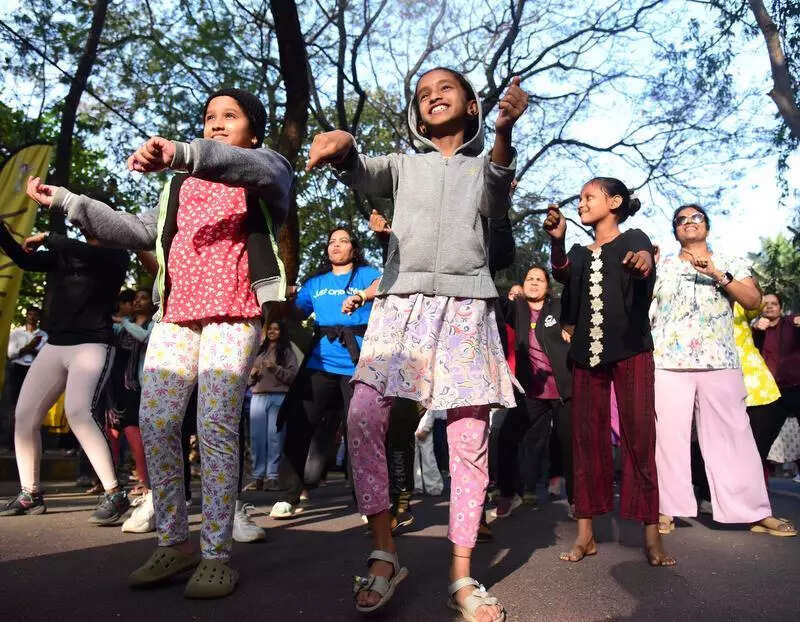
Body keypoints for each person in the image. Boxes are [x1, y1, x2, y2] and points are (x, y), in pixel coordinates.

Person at [26, 87, 293, 598]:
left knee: (214, 424)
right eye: (209, 116)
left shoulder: (264, 171)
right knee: (156, 421)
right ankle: (174, 541)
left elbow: (265, 172)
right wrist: (67, 201)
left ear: (252, 132)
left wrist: (183, 151)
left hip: (233, 314)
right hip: (176, 316)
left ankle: (216, 552)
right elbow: (135, 230)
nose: (216, 124)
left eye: (229, 116)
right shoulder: (180, 188)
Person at [307, 67, 526, 621]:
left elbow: (498, 191)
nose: (432, 97)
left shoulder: (483, 164)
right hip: (401, 303)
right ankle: (384, 551)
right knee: (362, 414)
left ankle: (462, 572)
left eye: (445, 89)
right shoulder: (403, 166)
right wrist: (343, 147)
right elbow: (361, 173)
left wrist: (504, 129)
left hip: (466, 305)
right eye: (423, 94)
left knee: (470, 435)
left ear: (472, 106)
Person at [544, 177, 674, 566]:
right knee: (586, 441)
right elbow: (564, 272)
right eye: (580, 197)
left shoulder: (633, 236)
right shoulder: (581, 252)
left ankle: (652, 537)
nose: (581, 203)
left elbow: (644, 261)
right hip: (586, 356)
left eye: (589, 197)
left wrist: (644, 261)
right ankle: (586, 535)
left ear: (614, 201)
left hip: (631, 350)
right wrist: (556, 239)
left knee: (639, 437)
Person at [650, 204, 794, 537]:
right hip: (669, 361)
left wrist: (717, 273)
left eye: (695, 218)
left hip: (721, 361)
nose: (689, 223)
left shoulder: (730, 262)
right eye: (681, 220)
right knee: (668, 439)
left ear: (707, 226)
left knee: (734, 437)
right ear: (675, 230)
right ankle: (666, 509)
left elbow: (754, 301)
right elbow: (644, 311)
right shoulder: (665, 267)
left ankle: (754, 511)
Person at [0, 216, 130, 523]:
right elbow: (23, 259)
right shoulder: (66, 254)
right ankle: (30, 493)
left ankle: (114, 493)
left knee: (78, 412)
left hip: (93, 344)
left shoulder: (115, 256)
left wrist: (47, 235)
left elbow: (82, 252)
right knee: (24, 416)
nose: (83, 222)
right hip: (56, 345)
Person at [270, 227, 381, 519]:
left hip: (359, 365)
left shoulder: (368, 275)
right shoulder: (316, 283)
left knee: (360, 432)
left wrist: (361, 297)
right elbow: (295, 314)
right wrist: (286, 296)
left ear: (354, 249)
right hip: (320, 364)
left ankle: (367, 501)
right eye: (332, 241)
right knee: (298, 424)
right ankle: (288, 495)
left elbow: (385, 285)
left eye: (343, 241)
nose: (336, 245)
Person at [492, 265, 573, 518]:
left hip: (562, 390)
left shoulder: (559, 307)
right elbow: (494, 307)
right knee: (505, 439)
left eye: (540, 279)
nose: (534, 283)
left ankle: (577, 501)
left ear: (548, 287)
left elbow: (578, 308)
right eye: (529, 279)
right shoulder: (517, 309)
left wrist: (569, 328)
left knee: (569, 445)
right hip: (530, 392)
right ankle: (508, 494)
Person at [248, 320, 298, 491]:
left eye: (276, 329)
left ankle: (273, 477)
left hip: (279, 397)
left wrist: (276, 368)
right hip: (257, 396)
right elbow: (247, 381)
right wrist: (252, 375)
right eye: (269, 328)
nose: (272, 331)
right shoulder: (258, 351)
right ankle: (257, 477)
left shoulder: (287, 351)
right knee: (256, 438)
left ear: (281, 332)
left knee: (275, 438)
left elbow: (293, 377)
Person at [1, 307, 47, 450]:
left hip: (33, 371)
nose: (32, 317)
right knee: (10, 405)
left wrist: (28, 349)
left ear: (39, 318)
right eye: (30, 314)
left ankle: (27, 442)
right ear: (26, 316)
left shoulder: (43, 335)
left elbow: (43, 355)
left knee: (31, 405)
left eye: (35, 315)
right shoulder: (16, 333)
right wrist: (30, 347)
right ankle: (5, 442)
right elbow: (11, 354)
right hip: (15, 369)